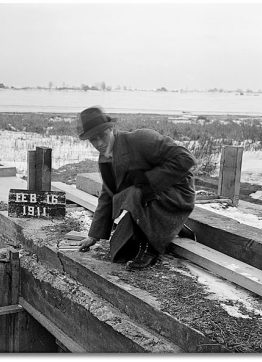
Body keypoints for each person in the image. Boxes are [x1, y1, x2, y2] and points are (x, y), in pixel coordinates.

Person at [77, 106, 196, 270]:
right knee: (119, 250)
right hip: (148, 200)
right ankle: (172, 225)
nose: (99, 143)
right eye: (93, 140)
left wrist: (147, 180)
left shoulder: (141, 139)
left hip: (177, 193)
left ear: (111, 129)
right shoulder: (105, 160)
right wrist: (94, 235)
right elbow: (108, 195)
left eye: (102, 136)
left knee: (134, 193)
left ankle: (150, 249)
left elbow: (186, 159)